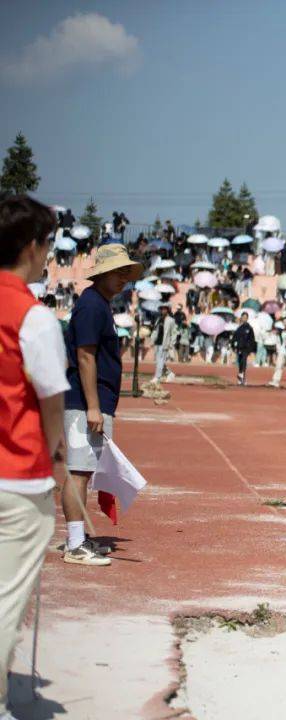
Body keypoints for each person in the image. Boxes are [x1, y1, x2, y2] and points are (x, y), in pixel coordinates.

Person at [0, 196, 69, 714]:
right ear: (32, 246)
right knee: (6, 602)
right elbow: (50, 402)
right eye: (48, 245)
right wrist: (53, 460)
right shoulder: (34, 316)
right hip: (17, 477)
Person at [63, 242, 143, 565]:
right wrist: (93, 406)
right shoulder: (93, 305)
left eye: (127, 272)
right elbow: (85, 356)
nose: (125, 278)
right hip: (84, 402)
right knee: (79, 471)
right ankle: (74, 544)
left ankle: (78, 539)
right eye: (120, 272)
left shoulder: (99, 304)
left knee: (84, 470)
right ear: (104, 273)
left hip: (91, 401)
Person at [151, 305, 177, 384]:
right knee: (159, 361)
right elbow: (155, 330)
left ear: (168, 310)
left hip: (165, 343)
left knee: (160, 360)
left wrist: (171, 343)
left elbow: (174, 333)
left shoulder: (171, 320)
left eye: (165, 309)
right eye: (162, 309)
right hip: (157, 343)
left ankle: (157, 377)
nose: (163, 310)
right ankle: (170, 374)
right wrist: (152, 340)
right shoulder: (159, 319)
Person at [232, 311, 256, 386]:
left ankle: (243, 376)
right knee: (240, 362)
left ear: (247, 318)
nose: (244, 318)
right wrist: (234, 346)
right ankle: (240, 377)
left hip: (246, 348)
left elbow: (252, 339)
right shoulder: (238, 328)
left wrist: (252, 349)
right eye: (243, 317)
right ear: (241, 318)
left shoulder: (249, 328)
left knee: (244, 361)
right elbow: (234, 338)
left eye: (246, 317)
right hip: (239, 348)